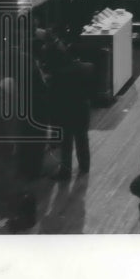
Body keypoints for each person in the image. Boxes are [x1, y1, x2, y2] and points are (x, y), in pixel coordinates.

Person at [47, 45, 95, 180]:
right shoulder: (88, 67)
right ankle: (84, 166)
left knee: (66, 143)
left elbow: (53, 95)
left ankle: (66, 171)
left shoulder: (59, 73)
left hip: (65, 111)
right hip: (82, 109)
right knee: (82, 139)